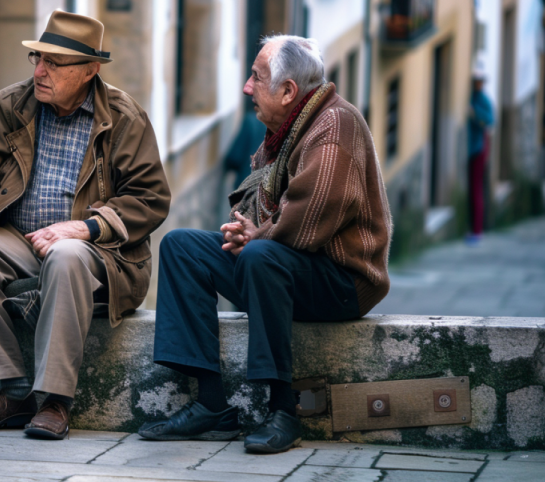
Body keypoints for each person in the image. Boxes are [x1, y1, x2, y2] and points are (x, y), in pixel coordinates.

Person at [140, 35, 392, 453]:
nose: (246, 87)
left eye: (257, 78)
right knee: (181, 247)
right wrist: (247, 230)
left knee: (260, 255)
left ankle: (282, 411)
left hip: (343, 282)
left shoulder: (335, 126)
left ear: (288, 91)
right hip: (285, 264)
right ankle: (212, 406)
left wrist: (256, 236)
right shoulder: (286, 130)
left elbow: (309, 220)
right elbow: (263, 205)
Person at [0, 10, 171, 440]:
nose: (40, 71)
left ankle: (56, 400)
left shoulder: (123, 117)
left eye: (55, 63)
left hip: (100, 250)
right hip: (18, 238)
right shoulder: (8, 106)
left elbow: (150, 198)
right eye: (38, 59)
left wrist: (87, 227)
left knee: (64, 254)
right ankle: (10, 393)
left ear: (89, 71)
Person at [467, 63, 494, 243]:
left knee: (476, 189)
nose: (478, 83)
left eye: (480, 81)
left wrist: (474, 114)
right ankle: (473, 228)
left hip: (478, 148)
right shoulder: (473, 96)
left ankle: (477, 231)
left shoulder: (483, 100)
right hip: (473, 147)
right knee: (472, 189)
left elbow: (489, 120)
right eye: (476, 80)